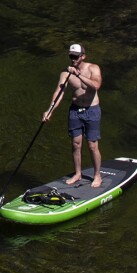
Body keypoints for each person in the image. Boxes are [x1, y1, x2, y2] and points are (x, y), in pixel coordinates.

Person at [41, 43, 103, 187]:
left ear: (83, 56)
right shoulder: (65, 73)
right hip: (75, 111)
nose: (73, 59)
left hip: (92, 110)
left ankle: (97, 176)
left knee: (92, 145)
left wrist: (78, 75)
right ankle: (77, 173)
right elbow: (59, 92)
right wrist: (49, 110)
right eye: (71, 56)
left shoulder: (93, 68)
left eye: (75, 56)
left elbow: (96, 85)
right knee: (76, 144)